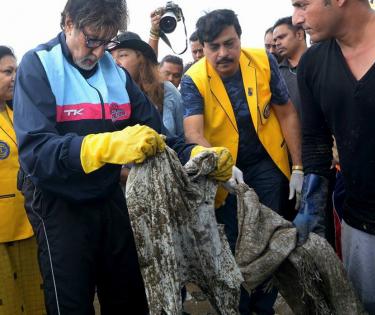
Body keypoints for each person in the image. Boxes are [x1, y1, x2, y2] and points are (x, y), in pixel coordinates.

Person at [12, 1, 234, 314]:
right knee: (71, 301)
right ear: (67, 23)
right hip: (58, 201)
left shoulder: (115, 74)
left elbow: (159, 138)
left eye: (107, 42)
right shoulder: (39, 65)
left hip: (108, 193)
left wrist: (196, 154)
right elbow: (36, 153)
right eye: (91, 40)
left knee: (129, 294)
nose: (99, 52)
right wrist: (103, 146)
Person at [291, 0, 375, 314]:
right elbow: (315, 139)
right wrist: (312, 202)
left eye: (302, 4)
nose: (296, 18)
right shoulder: (313, 64)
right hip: (358, 225)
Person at [181, 9, 302, 314]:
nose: (223, 53)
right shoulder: (194, 79)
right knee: (234, 243)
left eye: (229, 43)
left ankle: (263, 307)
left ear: (239, 38)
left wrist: (298, 166)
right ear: (203, 47)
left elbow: (286, 112)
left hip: (266, 165)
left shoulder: (263, 61)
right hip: (226, 174)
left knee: (267, 241)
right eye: (214, 47)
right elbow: (193, 133)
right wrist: (220, 163)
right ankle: (238, 307)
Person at [0, 46, 46, 315]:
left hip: (29, 225)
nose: (15, 77)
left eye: (16, 71)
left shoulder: (20, 115)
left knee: (35, 303)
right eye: (7, 71)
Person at [110, 31, 184, 138]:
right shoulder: (106, 94)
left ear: (140, 58)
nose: (115, 62)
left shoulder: (165, 90)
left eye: (122, 55)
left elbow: (182, 136)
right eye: (111, 57)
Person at [272, 16, 307, 114]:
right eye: (275, 40)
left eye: (281, 37)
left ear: (299, 34)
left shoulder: (322, 62)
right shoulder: (276, 74)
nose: (277, 43)